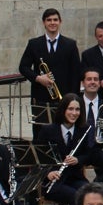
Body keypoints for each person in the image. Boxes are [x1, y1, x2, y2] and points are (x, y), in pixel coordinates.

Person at [19, 8, 81, 138]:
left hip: (63, 98)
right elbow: (23, 67)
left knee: (63, 133)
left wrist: (73, 98)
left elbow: (76, 74)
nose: (52, 23)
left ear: (60, 22)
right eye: (49, 20)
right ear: (44, 23)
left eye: (55, 20)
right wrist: (38, 78)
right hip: (40, 97)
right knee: (40, 134)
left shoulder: (70, 44)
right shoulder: (34, 44)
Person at [38, 94, 92, 205]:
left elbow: (90, 154)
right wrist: (47, 174)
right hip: (53, 180)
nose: (74, 113)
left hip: (74, 177)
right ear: (63, 110)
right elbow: (38, 158)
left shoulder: (83, 130)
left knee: (89, 192)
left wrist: (78, 160)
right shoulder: (48, 130)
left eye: (77, 110)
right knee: (76, 196)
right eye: (70, 109)